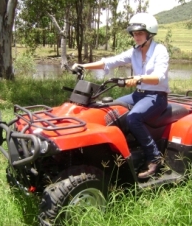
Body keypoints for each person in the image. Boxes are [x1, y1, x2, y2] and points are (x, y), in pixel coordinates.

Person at [72, 12, 170, 178]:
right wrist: (83, 65)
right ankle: (123, 150)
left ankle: (154, 157)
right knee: (112, 110)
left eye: (139, 33)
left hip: (156, 96)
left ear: (149, 33)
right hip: (139, 94)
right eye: (134, 34)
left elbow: (159, 76)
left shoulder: (160, 51)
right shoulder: (135, 52)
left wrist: (138, 78)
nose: (136, 37)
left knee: (133, 118)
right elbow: (110, 61)